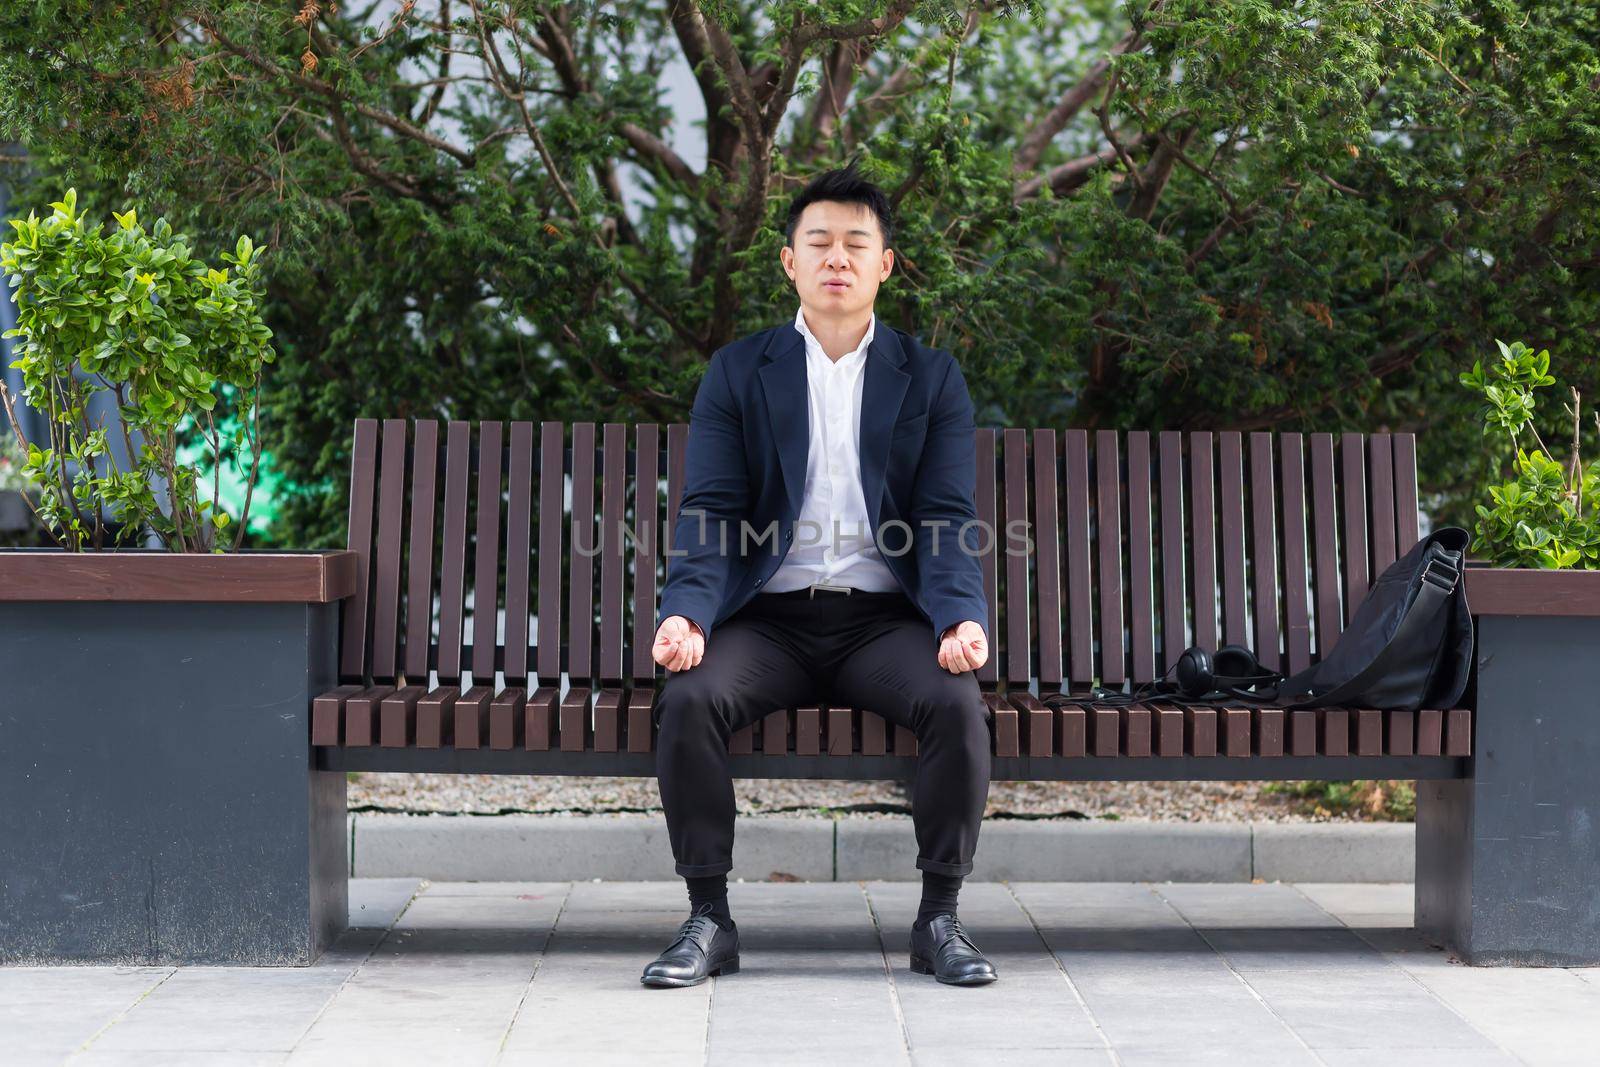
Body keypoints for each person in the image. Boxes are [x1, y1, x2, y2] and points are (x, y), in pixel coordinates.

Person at [641, 163, 998, 989]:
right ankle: (709, 918)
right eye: (819, 242)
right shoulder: (740, 371)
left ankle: (939, 917)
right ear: (789, 262)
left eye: (855, 244)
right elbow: (714, 507)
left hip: (884, 621)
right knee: (688, 697)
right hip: (767, 620)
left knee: (957, 704)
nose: (837, 258)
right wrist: (688, 614)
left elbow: (944, 514)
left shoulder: (930, 376)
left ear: (885, 264)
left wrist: (957, 618)